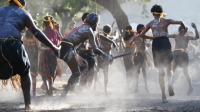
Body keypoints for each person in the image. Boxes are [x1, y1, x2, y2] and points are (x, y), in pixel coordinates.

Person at [0, 0, 60, 110]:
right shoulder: (23, 12)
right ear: (22, 3)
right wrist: (53, 47)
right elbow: (36, 32)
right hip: (13, 44)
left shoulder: (0, 9)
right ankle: (27, 105)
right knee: (25, 72)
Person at [138, 4, 187, 103]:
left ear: (154, 14)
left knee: (161, 72)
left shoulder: (151, 23)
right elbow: (181, 22)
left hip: (156, 44)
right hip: (165, 42)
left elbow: (141, 34)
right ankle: (169, 83)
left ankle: (163, 96)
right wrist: (184, 30)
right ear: (161, 12)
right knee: (169, 69)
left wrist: (152, 38)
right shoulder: (166, 20)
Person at [60, 13, 113, 97]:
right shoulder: (89, 30)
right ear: (95, 23)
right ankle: (65, 93)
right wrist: (106, 55)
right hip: (68, 48)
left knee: (83, 64)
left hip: (65, 47)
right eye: (97, 23)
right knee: (76, 72)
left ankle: (72, 85)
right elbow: (95, 49)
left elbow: (85, 45)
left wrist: (95, 47)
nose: (97, 25)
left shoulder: (82, 27)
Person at [168, 23, 199, 95]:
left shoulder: (187, 37)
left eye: (185, 31)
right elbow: (166, 35)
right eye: (183, 30)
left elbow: (197, 37)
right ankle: (171, 86)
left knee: (185, 72)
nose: (184, 32)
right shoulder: (176, 36)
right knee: (172, 71)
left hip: (183, 55)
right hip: (176, 54)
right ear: (180, 31)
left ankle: (191, 86)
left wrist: (195, 28)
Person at [38, 15, 62, 96]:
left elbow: (39, 44)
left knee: (43, 73)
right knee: (51, 74)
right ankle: (50, 91)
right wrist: (58, 30)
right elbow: (61, 39)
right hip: (53, 54)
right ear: (52, 22)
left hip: (44, 54)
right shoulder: (55, 32)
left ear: (44, 23)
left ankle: (47, 90)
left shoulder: (42, 32)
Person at [96, 24, 118, 94]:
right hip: (106, 59)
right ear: (110, 32)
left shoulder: (99, 38)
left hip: (99, 58)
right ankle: (105, 89)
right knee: (106, 74)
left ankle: (94, 87)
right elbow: (116, 36)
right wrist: (116, 34)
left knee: (96, 72)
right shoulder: (111, 38)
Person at [130, 24, 152, 93]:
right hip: (142, 55)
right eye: (144, 29)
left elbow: (130, 43)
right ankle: (145, 86)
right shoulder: (143, 37)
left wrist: (137, 44)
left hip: (137, 55)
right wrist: (150, 42)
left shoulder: (135, 37)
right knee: (143, 71)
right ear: (141, 30)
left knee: (137, 71)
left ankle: (136, 87)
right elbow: (147, 44)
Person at [22, 20, 39, 97]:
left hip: (25, 57)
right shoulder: (35, 37)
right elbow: (39, 47)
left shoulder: (24, 37)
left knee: (24, 75)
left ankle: (24, 92)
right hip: (34, 58)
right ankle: (34, 92)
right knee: (33, 76)